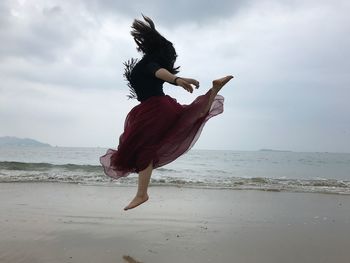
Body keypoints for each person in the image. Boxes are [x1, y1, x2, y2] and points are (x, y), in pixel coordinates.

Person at [100, 15, 233, 211]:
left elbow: (158, 72)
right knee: (189, 118)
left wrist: (176, 81)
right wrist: (179, 78)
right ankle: (213, 91)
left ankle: (141, 194)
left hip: (153, 108)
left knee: (143, 149)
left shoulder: (150, 64)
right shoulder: (151, 62)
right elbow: (160, 72)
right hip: (162, 105)